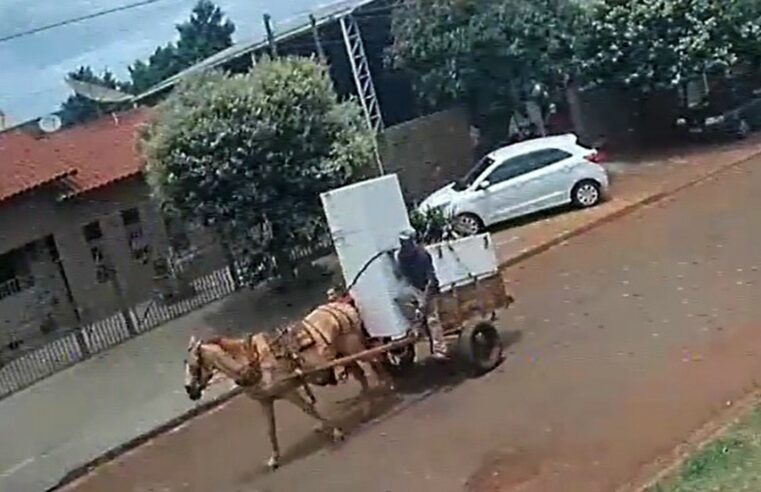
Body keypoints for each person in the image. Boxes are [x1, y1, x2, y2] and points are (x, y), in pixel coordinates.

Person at [389, 230, 448, 360]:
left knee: (432, 319)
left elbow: (431, 280)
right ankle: (416, 324)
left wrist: (424, 302)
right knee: (400, 298)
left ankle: (440, 350)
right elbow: (401, 275)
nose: (404, 246)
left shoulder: (422, 255)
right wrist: (392, 261)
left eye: (406, 243)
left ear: (412, 242)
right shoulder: (402, 257)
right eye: (402, 243)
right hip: (415, 287)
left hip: (428, 287)